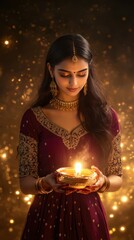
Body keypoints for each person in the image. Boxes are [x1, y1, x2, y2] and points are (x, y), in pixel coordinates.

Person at [18, 34, 122, 240]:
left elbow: (117, 177)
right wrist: (46, 183)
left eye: (81, 74)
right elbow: (25, 183)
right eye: (65, 74)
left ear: (89, 71)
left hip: (90, 218)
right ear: (50, 70)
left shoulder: (106, 116)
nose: (74, 82)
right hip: (45, 219)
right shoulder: (34, 118)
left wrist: (102, 182)